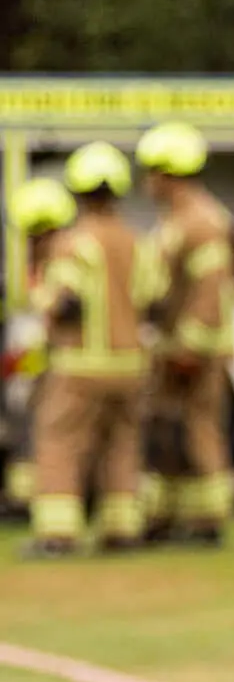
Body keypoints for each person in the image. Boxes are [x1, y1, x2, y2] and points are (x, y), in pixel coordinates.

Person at [24, 143, 156, 559]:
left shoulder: (72, 243)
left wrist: (38, 294)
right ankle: (122, 530)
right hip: (131, 366)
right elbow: (153, 294)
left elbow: (65, 303)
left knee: (60, 443)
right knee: (121, 444)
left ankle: (58, 536)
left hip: (80, 365)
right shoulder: (138, 243)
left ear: (77, 192)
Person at [137, 121, 234, 547]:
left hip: (194, 351)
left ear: (168, 173)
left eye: (151, 172)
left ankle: (208, 522)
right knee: (165, 434)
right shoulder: (178, 220)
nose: (146, 183)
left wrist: (191, 347)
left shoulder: (202, 222)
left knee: (199, 431)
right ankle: (164, 518)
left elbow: (209, 290)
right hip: (169, 346)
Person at [4, 174, 76, 515]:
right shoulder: (57, 255)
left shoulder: (64, 257)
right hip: (48, 360)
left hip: (63, 362)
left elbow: (60, 309)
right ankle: (23, 497)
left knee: (48, 434)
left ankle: (33, 503)